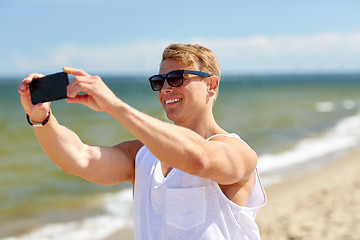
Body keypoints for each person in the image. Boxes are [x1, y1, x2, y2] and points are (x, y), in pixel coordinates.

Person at [18, 43, 266, 239]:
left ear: (211, 86)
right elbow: (79, 159)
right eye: (159, 82)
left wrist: (116, 107)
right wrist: (41, 118)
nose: (165, 89)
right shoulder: (142, 155)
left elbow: (198, 159)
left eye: (177, 78)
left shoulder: (238, 151)